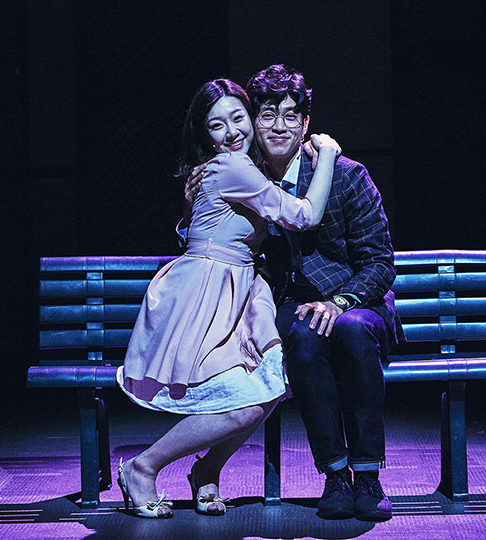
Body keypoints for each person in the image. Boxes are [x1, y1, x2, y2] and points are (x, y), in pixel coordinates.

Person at [115, 78, 341, 519]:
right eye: (217, 125)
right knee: (244, 403)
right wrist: (329, 154)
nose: (233, 131)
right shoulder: (232, 168)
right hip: (208, 293)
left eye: (239, 118)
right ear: (205, 134)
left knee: (268, 388)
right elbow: (305, 215)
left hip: (237, 292)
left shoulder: (230, 169)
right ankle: (143, 467)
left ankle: (207, 471)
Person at [188, 65, 400, 522]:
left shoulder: (345, 176)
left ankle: (368, 474)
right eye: (267, 115)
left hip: (357, 304)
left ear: (306, 123)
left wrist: (340, 301)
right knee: (302, 334)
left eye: (290, 115)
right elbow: (211, 233)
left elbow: (380, 263)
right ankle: (336, 474)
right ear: (254, 122)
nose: (279, 126)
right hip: (291, 306)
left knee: (350, 330)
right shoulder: (246, 177)